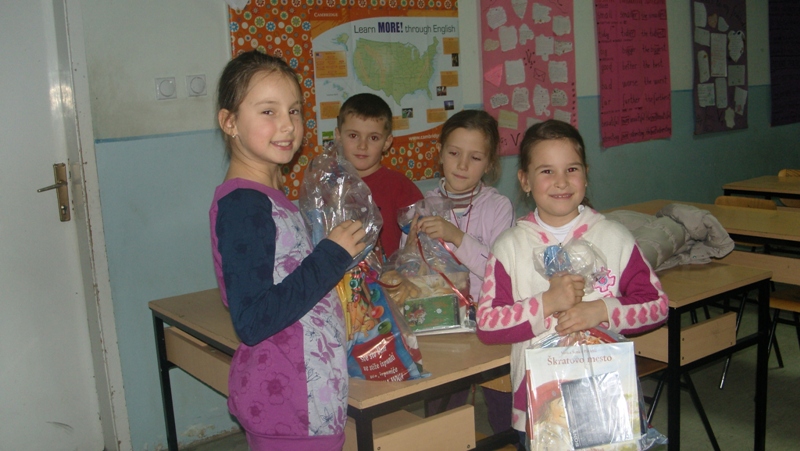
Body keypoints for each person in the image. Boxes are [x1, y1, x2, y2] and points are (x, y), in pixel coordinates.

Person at [475, 119, 669, 447]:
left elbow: (657, 306)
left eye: (572, 169)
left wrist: (601, 310)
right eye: (546, 171)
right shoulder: (510, 246)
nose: (561, 181)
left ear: (586, 174)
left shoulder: (613, 237)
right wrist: (547, 303)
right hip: (540, 405)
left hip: (606, 394)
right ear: (525, 180)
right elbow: (488, 324)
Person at [209, 50, 366, 451]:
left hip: (308, 399)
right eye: (268, 111)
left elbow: (290, 283)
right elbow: (252, 319)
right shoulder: (244, 206)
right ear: (230, 122)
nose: (287, 125)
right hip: (289, 404)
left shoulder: (267, 197)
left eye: (294, 111)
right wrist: (331, 255)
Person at [413, 109, 515, 434]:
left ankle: (508, 439)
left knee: (504, 410)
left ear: (489, 163)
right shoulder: (423, 206)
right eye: (454, 153)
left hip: (491, 323)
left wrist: (456, 237)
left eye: (475, 157)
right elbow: (413, 272)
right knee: (443, 415)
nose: (462, 165)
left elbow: (500, 273)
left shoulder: (498, 207)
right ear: (440, 153)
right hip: (441, 326)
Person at [336, 93, 423, 258]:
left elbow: (422, 240)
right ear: (339, 136)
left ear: (387, 142)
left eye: (373, 138)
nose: (362, 146)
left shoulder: (401, 187)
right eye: (353, 135)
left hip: (392, 273)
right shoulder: (330, 185)